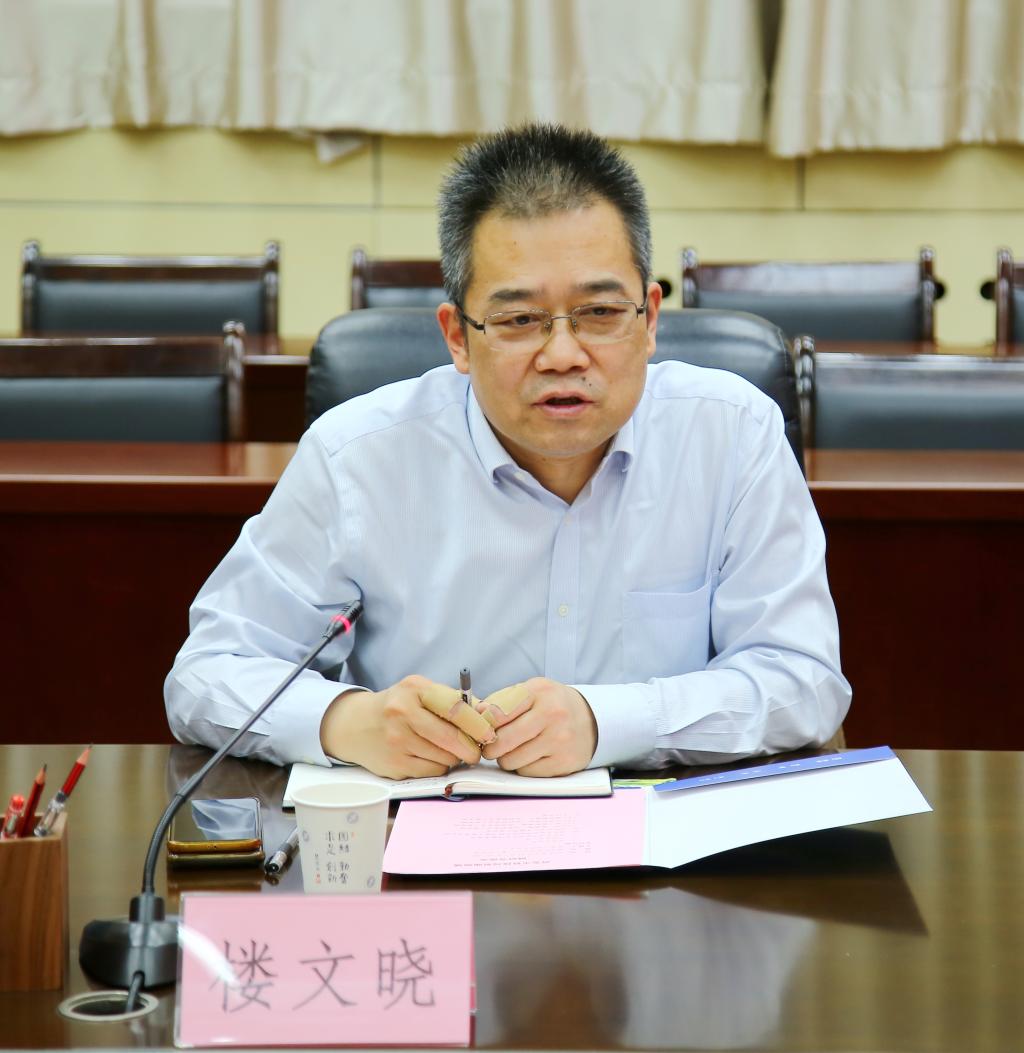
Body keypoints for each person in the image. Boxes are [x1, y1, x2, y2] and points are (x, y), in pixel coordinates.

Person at [165, 123, 850, 779]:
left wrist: (608, 721)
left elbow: (803, 678)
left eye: (600, 313)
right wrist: (346, 720)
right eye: (520, 319)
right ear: (457, 337)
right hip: (428, 837)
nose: (563, 354)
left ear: (649, 320)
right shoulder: (357, 458)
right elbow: (209, 671)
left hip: (666, 838)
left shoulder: (733, 435)